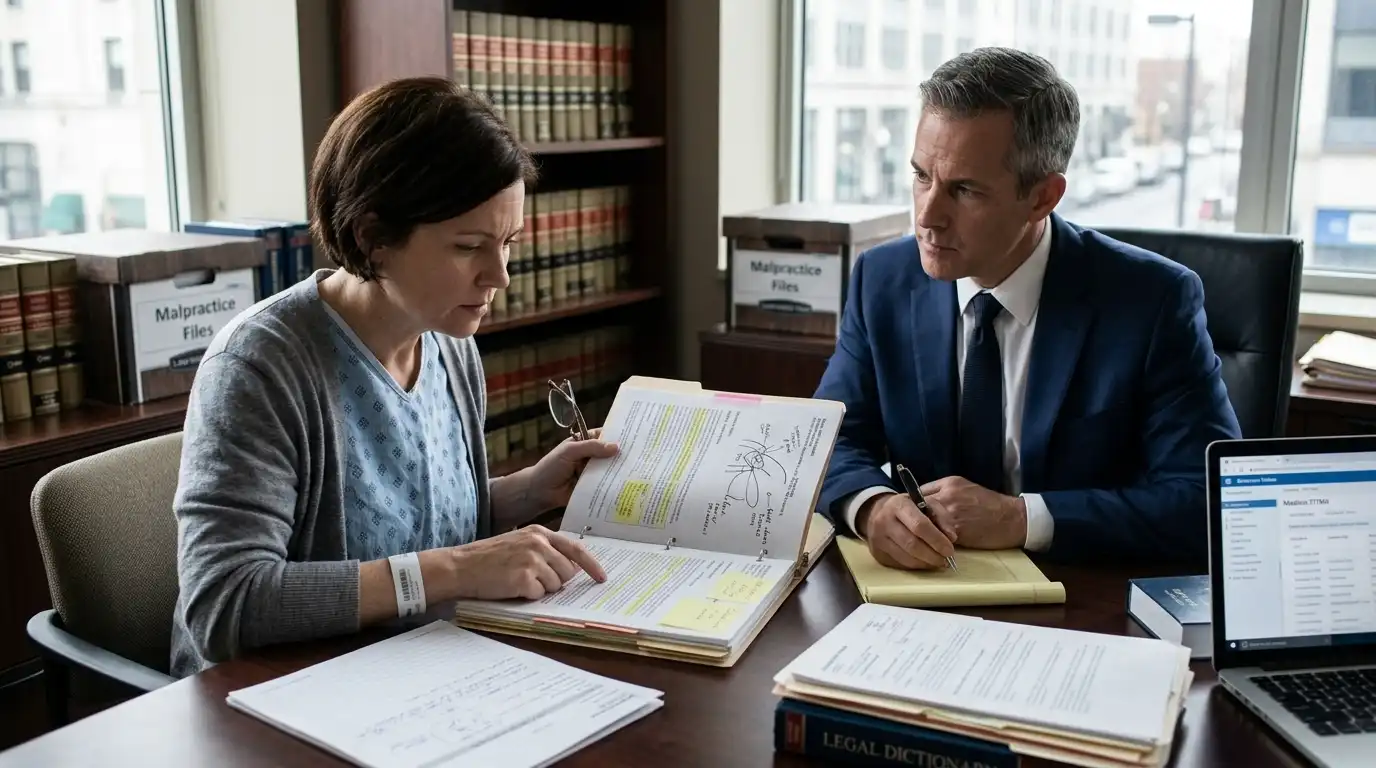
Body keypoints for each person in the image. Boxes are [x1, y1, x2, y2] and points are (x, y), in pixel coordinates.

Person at [169, 77, 616, 677]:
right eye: (468, 247)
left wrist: (529, 491)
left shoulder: (449, 343)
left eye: (508, 243)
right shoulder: (258, 367)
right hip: (271, 699)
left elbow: (417, 527)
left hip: (412, 672)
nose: (500, 277)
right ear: (373, 238)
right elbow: (225, 606)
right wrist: (456, 571)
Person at [814, 48, 1241, 570]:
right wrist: (871, 506)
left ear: (1042, 197)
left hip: (1082, 603)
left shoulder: (1152, 302)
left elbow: (1205, 501)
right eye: (921, 176)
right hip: (921, 598)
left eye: (964, 190)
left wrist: (1022, 518)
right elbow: (828, 441)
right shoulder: (881, 279)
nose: (927, 216)